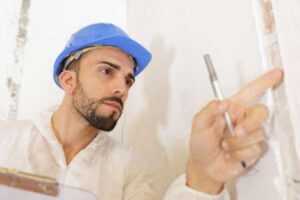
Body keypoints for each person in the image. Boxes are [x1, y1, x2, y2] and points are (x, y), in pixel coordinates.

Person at [0, 23, 283, 199]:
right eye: (106, 71)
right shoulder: (6, 138)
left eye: (128, 80)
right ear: (68, 80)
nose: (121, 88)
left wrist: (203, 176)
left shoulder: (130, 168)